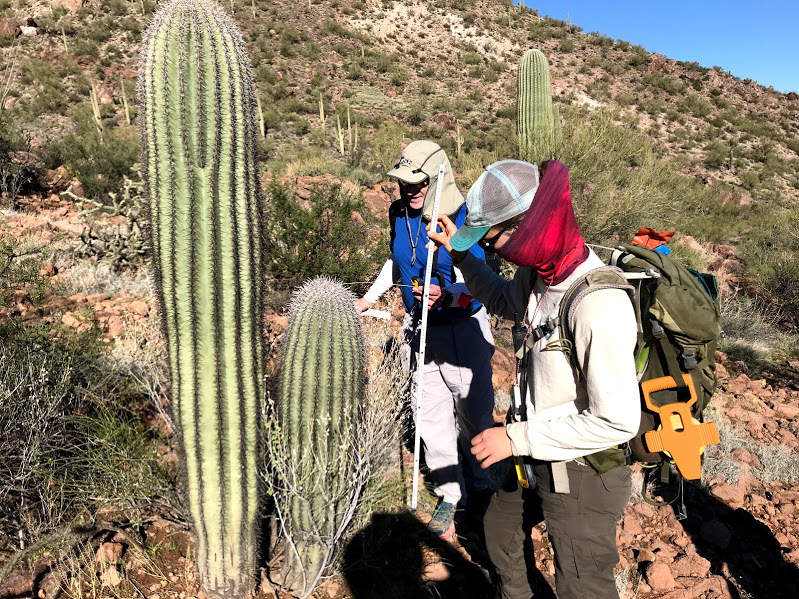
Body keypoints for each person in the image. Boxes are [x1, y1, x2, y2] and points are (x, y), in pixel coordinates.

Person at [427, 159, 640, 599]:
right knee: (501, 534)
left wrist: (513, 439)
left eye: (495, 240)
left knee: (582, 584)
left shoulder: (598, 304)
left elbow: (618, 421)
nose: (497, 252)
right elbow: (505, 301)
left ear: (529, 228)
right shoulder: (541, 272)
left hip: (580, 471)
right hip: (530, 452)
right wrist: (462, 253)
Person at [355, 140, 495, 539]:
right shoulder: (398, 213)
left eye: (418, 184)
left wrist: (448, 294)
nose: (410, 191)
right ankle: (451, 495)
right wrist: (370, 296)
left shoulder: (465, 217)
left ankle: (482, 487)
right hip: (422, 328)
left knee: (473, 412)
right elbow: (394, 260)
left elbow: (479, 281)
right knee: (428, 411)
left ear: (437, 179)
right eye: (403, 183)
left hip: (463, 326)